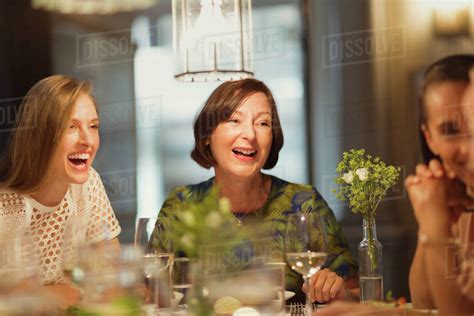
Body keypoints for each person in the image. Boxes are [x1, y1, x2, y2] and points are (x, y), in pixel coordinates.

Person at [151, 78, 358, 303]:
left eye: (262, 123)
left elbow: (355, 295)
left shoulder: (304, 203)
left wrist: (337, 291)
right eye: (234, 120)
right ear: (207, 135)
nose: (250, 134)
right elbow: (150, 293)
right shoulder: (181, 205)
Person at [319, 57, 474, 315]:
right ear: (430, 138)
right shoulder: (457, 198)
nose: (468, 146)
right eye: (450, 130)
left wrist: (435, 223)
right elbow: (427, 303)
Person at [0, 75, 121, 308]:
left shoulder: (88, 184)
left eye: (93, 126)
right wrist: (51, 295)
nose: (87, 140)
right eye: (71, 127)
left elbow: (112, 276)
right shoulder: (5, 204)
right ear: (40, 134)